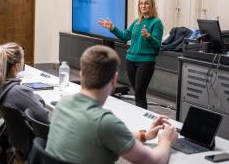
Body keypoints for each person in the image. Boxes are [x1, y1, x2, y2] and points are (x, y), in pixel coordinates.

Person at [46, 45, 178, 164]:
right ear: (114, 79)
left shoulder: (63, 103)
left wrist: (146, 135)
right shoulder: (105, 122)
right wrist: (166, 141)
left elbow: (111, 135)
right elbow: (153, 161)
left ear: (81, 75)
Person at [98, 0, 163, 109]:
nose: (143, 5)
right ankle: (138, 117)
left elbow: (157, 46)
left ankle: (142, 121)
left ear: (151, 5)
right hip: (131, 60)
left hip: (146, 62)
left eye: (146, 3)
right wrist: (112, 28)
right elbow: (124, 36)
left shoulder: (156, 22)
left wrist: (149, 36)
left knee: (140, 93)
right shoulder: (137, 22)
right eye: (141, 3)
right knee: (137, 93)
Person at [0, 42, 49, 123]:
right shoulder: (18, 91)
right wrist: (38, 100)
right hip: (29, 134)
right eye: (23, 57)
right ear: (17, 66)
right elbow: (44, 117)